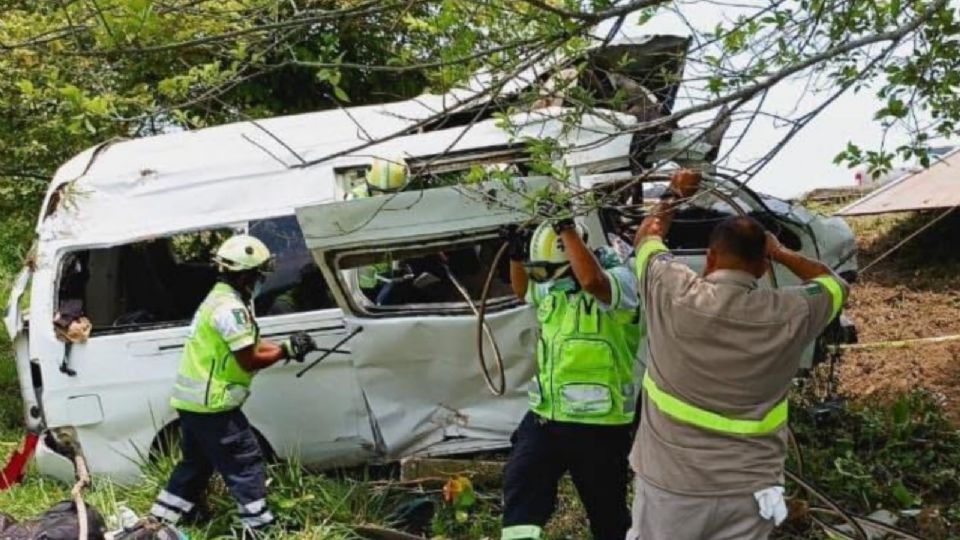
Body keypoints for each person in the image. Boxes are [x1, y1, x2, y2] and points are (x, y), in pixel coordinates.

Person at [628, 169, 849, 540]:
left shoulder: (675, 292)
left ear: (711, 258)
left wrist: (675, 194)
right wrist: (781, 251)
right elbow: (833, 283)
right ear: (764, 267)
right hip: (752, 490)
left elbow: (646, 239)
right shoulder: (790, 312)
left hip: (672, 486)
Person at [150, 235, 318, 534]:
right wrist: (285, 351)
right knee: (246, 463)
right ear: (245, 275)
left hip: (195, 404)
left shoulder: (220, 298)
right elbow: (249, 360)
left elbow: (247, 345)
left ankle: (160, 521)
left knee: (196, 465)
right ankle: (259, 527)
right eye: (259, 275)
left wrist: (284, 346)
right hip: (214, 404)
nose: (261, 280)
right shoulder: (230, 310)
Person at [500, 215, 641, 540]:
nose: (546, 279)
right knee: (521, 488)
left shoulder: (619, 280)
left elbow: (593, 282)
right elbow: (524, 290)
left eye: (551, 270)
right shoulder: (554, 287)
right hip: (547, 419)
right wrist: (516, 256)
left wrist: (565, 229)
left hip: (599, 428)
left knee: (607, 515)